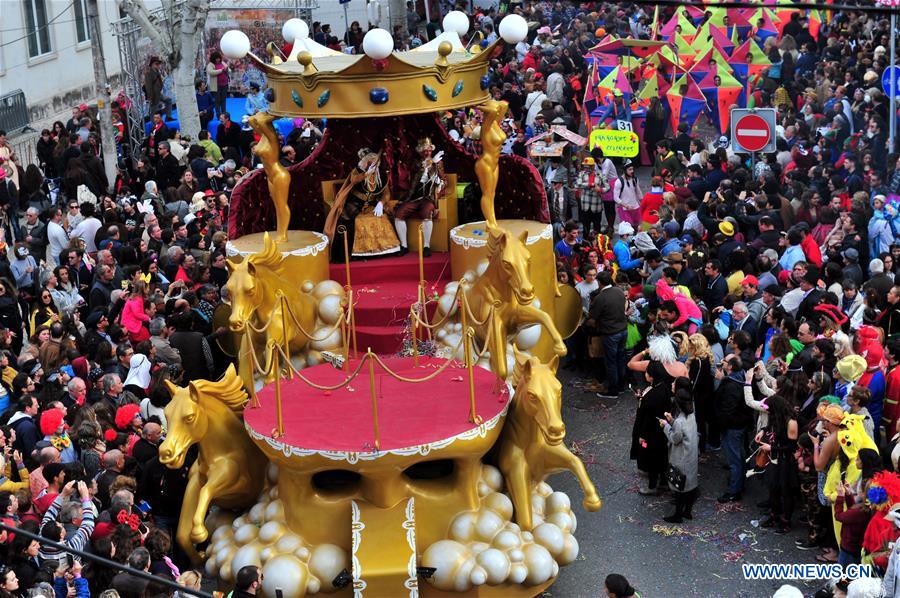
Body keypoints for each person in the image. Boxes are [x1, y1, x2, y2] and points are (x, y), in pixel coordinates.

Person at [325, 148, 400, 261]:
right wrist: (366, 174)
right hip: (354, 204)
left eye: (375, 163)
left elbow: (386, 193)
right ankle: (350, 253)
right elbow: (354, 180)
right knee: (350, 221)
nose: (374, 165)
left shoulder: (382, 176)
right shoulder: (357, 171)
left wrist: (381, 203)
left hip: (371, 205)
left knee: (381, 218)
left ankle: (380, 251)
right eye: (370, 163)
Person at [394, 138, 446, 257]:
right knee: (399, 213)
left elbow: (444, 180)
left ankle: (426, 246)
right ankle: (404, 246)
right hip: (414, 197)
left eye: (429, 150)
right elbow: (416, 175)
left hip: (428, 198)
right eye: (424, 151)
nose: (427, 153)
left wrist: (440, 183)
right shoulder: (415, 163)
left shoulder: (438, 163)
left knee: (427, 212)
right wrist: (430, 164)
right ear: (420, 152)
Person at [633, 361, 673, 495]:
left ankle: (652, 486)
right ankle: (663, 482)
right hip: (661, 430)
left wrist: (642, 436)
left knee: (651, 458)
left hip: (650, 433)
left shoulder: (654, 394)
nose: (645, 374)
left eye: (647, 373)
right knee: (661, 456)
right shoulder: (662, 387)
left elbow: (648, 418)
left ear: (652, 376)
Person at [660, 387, 699, 522]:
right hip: (691, 455)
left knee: (679, 488)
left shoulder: (679, 422)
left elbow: (675, 438)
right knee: (691, 485)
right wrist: (672, 422)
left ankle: (677, 515)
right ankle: (687, 511)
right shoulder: (692, 414)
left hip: (681, 457)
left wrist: (665, 425)